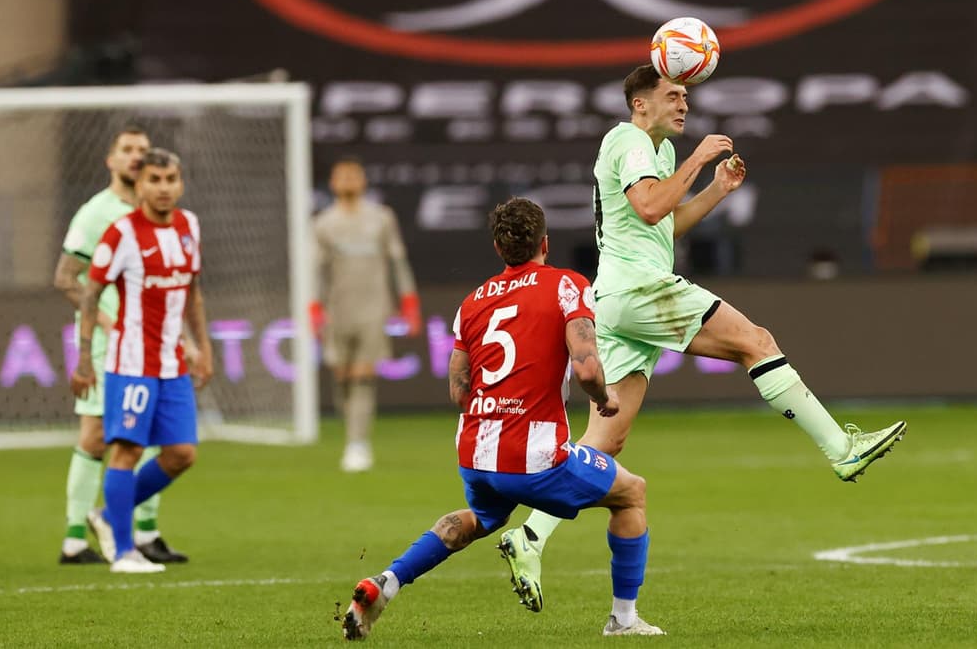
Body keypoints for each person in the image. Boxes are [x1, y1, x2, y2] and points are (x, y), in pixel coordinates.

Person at [498, 65, 907, 612]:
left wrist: (715, 189)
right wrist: (699, 160)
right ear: (640, 104)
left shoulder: (657, 154)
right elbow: (648, 205)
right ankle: (841, 450)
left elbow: (659, 225)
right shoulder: (628, 139)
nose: (683, 103)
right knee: (756, 342)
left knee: (604, 442)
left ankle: (530, 535)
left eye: (686, 95)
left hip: (618, 297)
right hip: (641, 290)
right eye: (672, 95)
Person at [337, 198, 662, 640]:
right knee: (632, 494)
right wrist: (604, 399)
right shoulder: (567, 284)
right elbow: (587, 368)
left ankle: (385, 584)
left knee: (479, 519)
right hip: (533, 457)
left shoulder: (472, 303)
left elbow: (458, 389)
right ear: (544, 243)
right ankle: (623, 621)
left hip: (475, 451)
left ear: (498, 247)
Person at [70, 148, 215, 574]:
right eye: (155, 179)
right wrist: (83, 360)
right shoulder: (121, 234)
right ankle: (123, 551)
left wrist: (202, 347)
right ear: (141, 185)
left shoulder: (189, 226)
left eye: (171, 179)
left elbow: (193, 293)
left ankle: (105, 516)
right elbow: (89, 294)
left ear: (180, 183)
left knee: (182, 454)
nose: (164, 188)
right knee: (128, 451)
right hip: (131, 363)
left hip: (172, 364)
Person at [52, 126, 187, 565]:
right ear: (111, 160)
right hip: (107, 344)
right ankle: (75, 538)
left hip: (152, 346)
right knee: (95, 436)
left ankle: (144, 531)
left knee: (153, 439)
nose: (135, 157)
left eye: (142, 151)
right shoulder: (97, 213)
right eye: (127, 150)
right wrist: (108, 321)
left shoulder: (160, 215)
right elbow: (65, 278)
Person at [312, 157, 421, 472]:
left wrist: (409, 302)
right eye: (341, 175)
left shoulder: (381, 218)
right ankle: (352, 435)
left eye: (353, 174)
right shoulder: (323, 223)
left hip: (374, 307)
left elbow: (398, 261)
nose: (347, 179)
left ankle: (358, 443)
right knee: (342, 376)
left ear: (362, 181)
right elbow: (316, 270)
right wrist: (314, 308)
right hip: (337, 308)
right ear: (332, 182)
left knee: (363, 374)